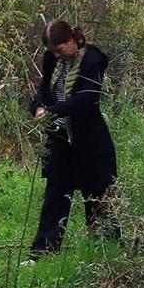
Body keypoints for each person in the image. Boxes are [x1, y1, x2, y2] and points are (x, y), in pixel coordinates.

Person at [29, 20, 118, 255]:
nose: (56, 55)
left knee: (98, 194)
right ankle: (44, 251)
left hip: (90, 139)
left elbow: (87, 100)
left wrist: (52, 111)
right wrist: (38, 105)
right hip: (59, 138)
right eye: (52, 51)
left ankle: (106, 251)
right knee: (55, 194)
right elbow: (44, 89)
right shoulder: (52, 59)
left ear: (70, 40)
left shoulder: (92, 58)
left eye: (59, 49)